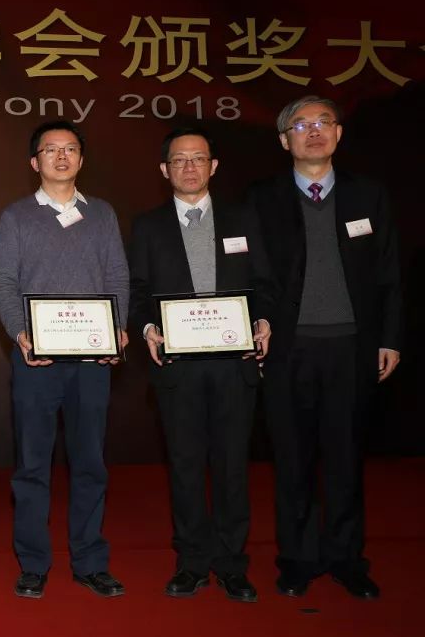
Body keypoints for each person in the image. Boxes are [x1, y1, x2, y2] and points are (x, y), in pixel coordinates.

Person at [248, 96, 402, 600]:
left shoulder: (368, 195)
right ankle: (297, 559)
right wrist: (256, 326)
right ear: (283, 140)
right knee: (292, 461)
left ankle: (346, 559)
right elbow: (252, 275)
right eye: (300, 125)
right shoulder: (261, 198)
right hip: (288, 349)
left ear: (338, 134)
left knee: (345, 458)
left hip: (352, 347)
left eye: (323, 122)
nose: (313, 131)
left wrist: (390, 338)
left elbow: (389, 273)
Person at [128, 126, 274, 602]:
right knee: (186, 466)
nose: (189, 167)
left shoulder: (243, 218)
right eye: (179, 160)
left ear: (214, 166)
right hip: (178, 367)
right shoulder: (147, 226)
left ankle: (232, 563)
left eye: (198, 158)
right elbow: (137, 291)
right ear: (164, 169)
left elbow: (264, 283)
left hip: (234, 363)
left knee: (232, 467)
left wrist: (264, 320)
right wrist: (148, 329)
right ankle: (191, 561)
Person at [0, 120, 129, 599]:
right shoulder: (15, 216)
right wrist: (20, 333)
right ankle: (33, 563)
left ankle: (90, 561)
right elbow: (4, 282)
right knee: (32, 464)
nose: (61, 156)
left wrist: (116, 328)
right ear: (35, 162)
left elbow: (117, 276)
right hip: (37, 360)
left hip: (91, 359)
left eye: (70, 149)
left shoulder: (102, 214)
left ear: (81, 159)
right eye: (51, 149)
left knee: (90, 462)